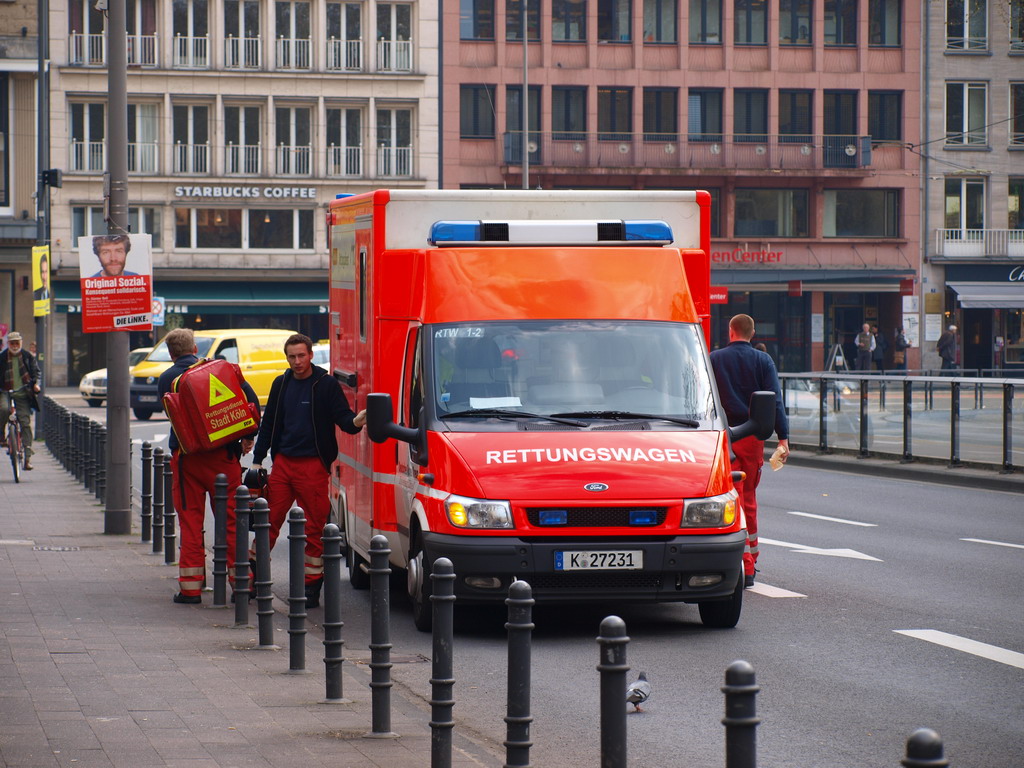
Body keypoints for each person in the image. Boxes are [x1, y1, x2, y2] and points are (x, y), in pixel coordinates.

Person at [251, 333, 366, 608]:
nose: (297, 361)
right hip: (283, 465)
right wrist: (258, 459)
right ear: (286, 357)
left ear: (311, 355)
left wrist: (358, 420)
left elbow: (344, 419)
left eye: (301, 355)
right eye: (292, 356)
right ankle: (254, 580)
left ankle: (310, 589)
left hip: (313, 466)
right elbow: (269, 425)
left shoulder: (325, 385)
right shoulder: (281, 384)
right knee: (267, 524)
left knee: (314, 530)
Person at [158, 328, 259, 604]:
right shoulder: (218, 371)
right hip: (224, 459)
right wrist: (247, 437)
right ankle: (241, 584)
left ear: (171, 353)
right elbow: (252, 403)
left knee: (190, 522)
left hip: (187, 458)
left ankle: (191, 588)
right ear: (194, 349)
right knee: (231, 523)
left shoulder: (168, 378)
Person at [710, 314, 790, 588]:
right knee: (749, 500)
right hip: (753, 437)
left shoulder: (714, 359)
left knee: (725, 500)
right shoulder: (763, 360)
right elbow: (775, 400)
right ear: (752, 333)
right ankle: (750, 564)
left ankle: (731, 561)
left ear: (731, 331)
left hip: (721, 437)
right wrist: (783, 438)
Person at [0, 332, 41, 470]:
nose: (15, 346)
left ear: (21, 343)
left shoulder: (27, 356)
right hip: (5, 391)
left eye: (17, 343)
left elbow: (35, 372)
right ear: (8, 344)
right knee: (4, 409)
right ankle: (1, 434)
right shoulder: (2, 357)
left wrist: (35, 384)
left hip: (23, 392)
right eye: (12, 343)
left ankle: (27, 458)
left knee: (25, 423)